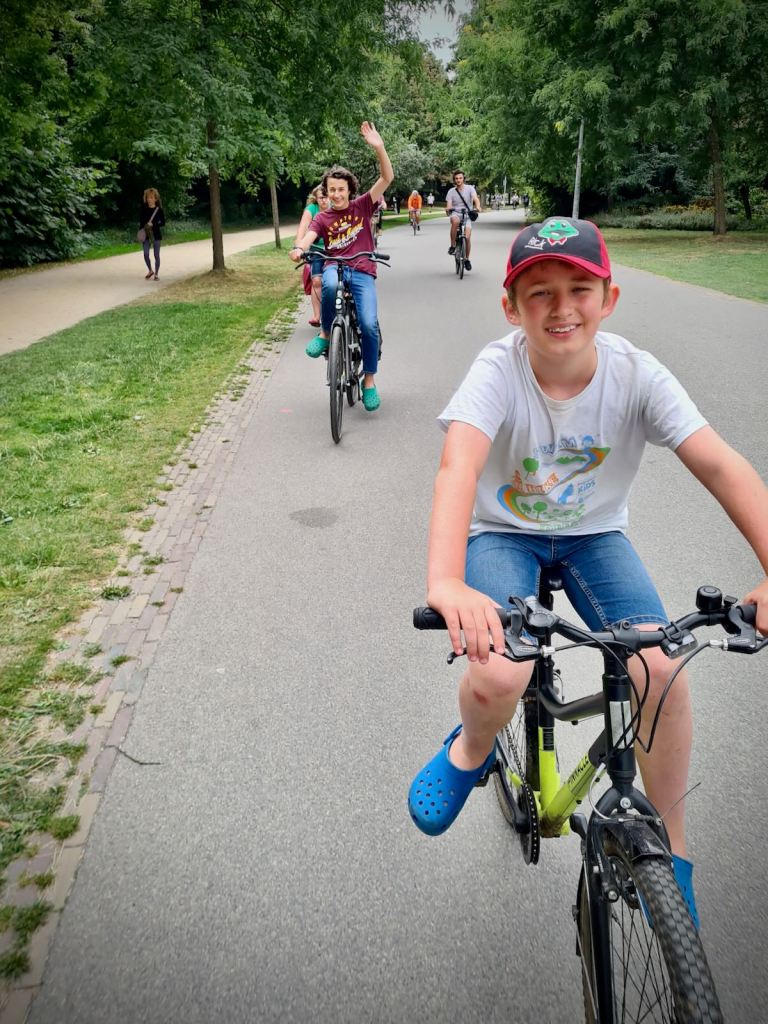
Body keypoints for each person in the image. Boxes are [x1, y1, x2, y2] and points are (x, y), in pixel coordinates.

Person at [407, 216, 768, 928]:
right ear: (511, 307)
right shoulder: (498, 369)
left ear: (610, 298)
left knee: (661, 672)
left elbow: (723, 465)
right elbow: (459, 467)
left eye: (580, 288)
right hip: (503, 533)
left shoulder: (637, 374)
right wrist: (447, 582)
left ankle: (671, 852)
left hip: (594, 536)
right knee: (502, 670)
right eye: (539, 292)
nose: (562, 306)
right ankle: (472, 748)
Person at [289, 121, 394, 413]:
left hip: (362, 270)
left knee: (369, 324)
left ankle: (369, 380)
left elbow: (387, 177)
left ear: (350, 190)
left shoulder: (362, 206)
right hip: (336, 265)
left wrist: (379, 147)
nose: (336, 194)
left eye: (340, 189)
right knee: (328, 283)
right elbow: (309, 238)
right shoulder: (322, 218)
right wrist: (299, 249)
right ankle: (325, 334)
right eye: (331, 190)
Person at [295, 185, 330, 327]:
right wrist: (298, 248)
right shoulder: (311, 210)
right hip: (317, 250)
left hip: (335, 249)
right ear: (315, 198)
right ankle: (317, 315)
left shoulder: (336, 207)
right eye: (321, 197)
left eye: (327, 196)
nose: (325, 200)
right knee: (316, 280)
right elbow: (301, 231)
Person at [445, 170, 481, 271]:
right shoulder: (451, 191)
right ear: (454, 180)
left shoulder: (470, 189)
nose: (458, 180)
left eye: (460, 178)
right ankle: (453, 245)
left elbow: (475, 198)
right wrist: (449, 208)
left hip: (467, 215)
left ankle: (466, 260)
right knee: (455, 222)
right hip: (455, 213)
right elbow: (449, 204)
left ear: (463, 179)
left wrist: (478, 206)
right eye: (456, 178)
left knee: (467, 238)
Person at [139, 188, 165, 280]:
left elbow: (163, 222)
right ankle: (150, 270)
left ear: (155, 199)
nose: (149, 199)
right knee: (146, 254)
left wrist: (155, 224)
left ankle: (156, 274)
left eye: (151, 197)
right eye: (147, 197)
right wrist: (146, 224)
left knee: (156, 255)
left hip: (156, 235)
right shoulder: (144, 208)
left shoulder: (159, 210)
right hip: (146, 234)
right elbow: (141, 221)